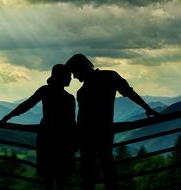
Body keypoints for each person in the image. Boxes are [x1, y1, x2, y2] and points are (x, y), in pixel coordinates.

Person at [65, 54, 159, 190]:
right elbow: (129, 92)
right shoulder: (110, 76)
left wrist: (76, 139)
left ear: (81, 69)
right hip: (105, 132)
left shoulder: (82, 92)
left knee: (87, 174)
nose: (74, 77)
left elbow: (81, 119)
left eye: (74, 72)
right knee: (108, 168)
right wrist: (147, 108)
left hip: (86, 137)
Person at [1, 64, 76, 190]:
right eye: (68, 76)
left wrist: (10, 115)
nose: (70, 79)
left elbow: (27, 104)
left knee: (48, 177)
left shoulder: (45, 91)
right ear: (61, 77)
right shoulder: (69, 98)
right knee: (61, 177)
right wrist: (74, 141)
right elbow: (71, 122)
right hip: (63, 141)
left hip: (46, 137)